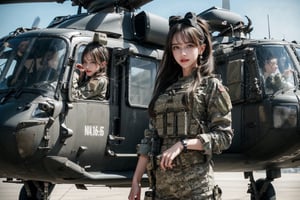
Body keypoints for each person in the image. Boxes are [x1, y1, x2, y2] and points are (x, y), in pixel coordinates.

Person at [128, 12, 233, 200]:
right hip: (161, 190)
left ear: (201, 48)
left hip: (196, 191)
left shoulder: (211, 86)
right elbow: (150, 139)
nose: (182, 53)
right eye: (176, 47)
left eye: (189, 46)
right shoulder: (164, 89)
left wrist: (183, 145)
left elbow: (224, 137)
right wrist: (136, 181)